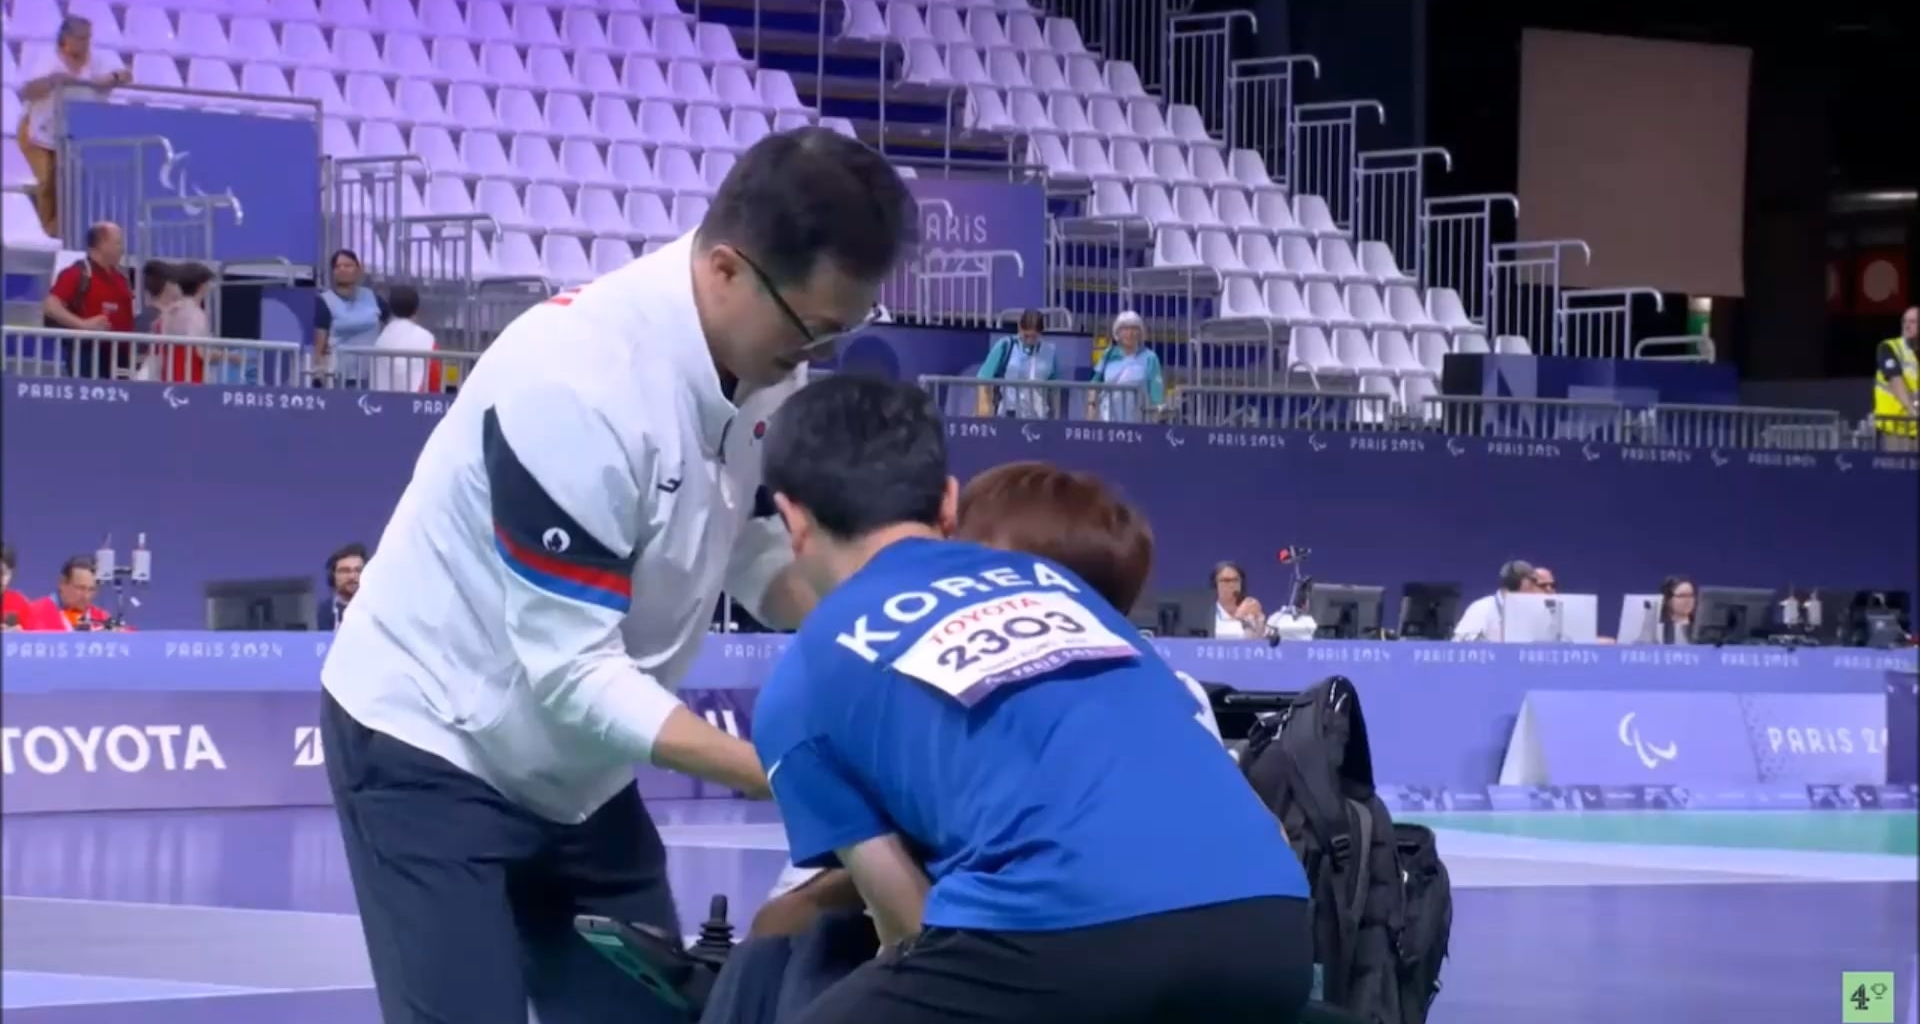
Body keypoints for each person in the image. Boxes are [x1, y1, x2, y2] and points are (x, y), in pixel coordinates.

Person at [315, 126, 915, 1024]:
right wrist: (782, 770)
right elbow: (574, 672)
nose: (814, 361)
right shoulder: (577, 385)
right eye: (810, 334)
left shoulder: (762, 360)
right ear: (725, 269)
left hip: (577, 772)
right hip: (433, 745)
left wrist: (886, 641)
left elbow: (751, 551)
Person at [749, 374, 1312, 1024]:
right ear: (948, 501)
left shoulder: (802, 678)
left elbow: (907, 927)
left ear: (791, 519)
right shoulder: (1058, 585)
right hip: (1272, 929)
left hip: (1068, 941)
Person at [15, 16, 130, 238]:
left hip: (76, 135)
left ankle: (57, 234)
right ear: (66, 39)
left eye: (88, 37)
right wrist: (53, 81)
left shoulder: (98, 60)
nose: (86, 43)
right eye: (81, 38)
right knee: (47, 180)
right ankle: (41, 235)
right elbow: (26, 91)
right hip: (40, 132)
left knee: (72, 189)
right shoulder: (46, 58)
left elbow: (126, 74)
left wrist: (112, 78)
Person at [42, 221, 133, 377]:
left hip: (120, 354)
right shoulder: (77, 273)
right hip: (88, 353)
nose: (122, 248)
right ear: (102, 244)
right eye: (118, 243)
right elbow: (50, 306)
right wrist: (83, 324)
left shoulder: (121, 277)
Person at [313, 248, 387, 387]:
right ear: (333, 272)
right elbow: (320, 345)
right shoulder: (324, 301)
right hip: (339, 378)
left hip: (373, 376)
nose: (342, 270)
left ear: (358, 270)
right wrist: (318, 373)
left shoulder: (372, 297)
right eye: (337, 267)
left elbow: (390, 328)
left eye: (347, 266)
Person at [973, 309, 1059, 418]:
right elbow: (983, 377)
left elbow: (1055, 388)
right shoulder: (1005, 346)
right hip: (1008, 414)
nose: (1029, 341)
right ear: (1019, 327)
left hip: (1039, 416)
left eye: (1034, 337)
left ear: (1040, 333)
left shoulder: (1050, 351)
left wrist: (1056, 417)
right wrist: (984, 408)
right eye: (1026, 336)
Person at [1087, 310, 1165, 423]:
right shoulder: (1108, 354)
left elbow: (1156, 394)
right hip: (1107, 419)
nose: (1130, 333)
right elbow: (1094, 383)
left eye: (1134, 328)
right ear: (1117, 333)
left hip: (1137, 421)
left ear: (1140, 332)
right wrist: (1091, 407)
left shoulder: (1150, 358)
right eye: (1125, 329)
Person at [1451, 559, 1540, 641]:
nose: (1535, 587)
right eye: (1533, 581)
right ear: (1515, 582)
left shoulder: (1531, 612)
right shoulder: (1481, 608)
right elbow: (1460, 646)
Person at [370, 284, 436, 393]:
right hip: (416, 402)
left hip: (383, 402)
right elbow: (433, 375)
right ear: (416, 308)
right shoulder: (427, 337)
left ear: (390, 308)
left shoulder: (381, 339)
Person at [1873, 306, 1917, 442]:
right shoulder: (1889, 347)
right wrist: (1913, 411)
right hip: (1894, 431)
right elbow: (1895, 380)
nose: (1907, 325)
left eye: (1913, 322)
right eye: (1905, 321)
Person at [316, 542, 368, 632]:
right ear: (333, 577)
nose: (352, 576)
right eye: (345, 571)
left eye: (358, 570)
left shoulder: (378, 608)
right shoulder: (325, 610)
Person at [1210, 560, 1266, 638]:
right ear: (1215, 585)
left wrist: (1259, 619)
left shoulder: (1249, 608)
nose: (1231, 585)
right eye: (1226, 581)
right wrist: (1237, 617)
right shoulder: (1208, 614)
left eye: (1235, 580)